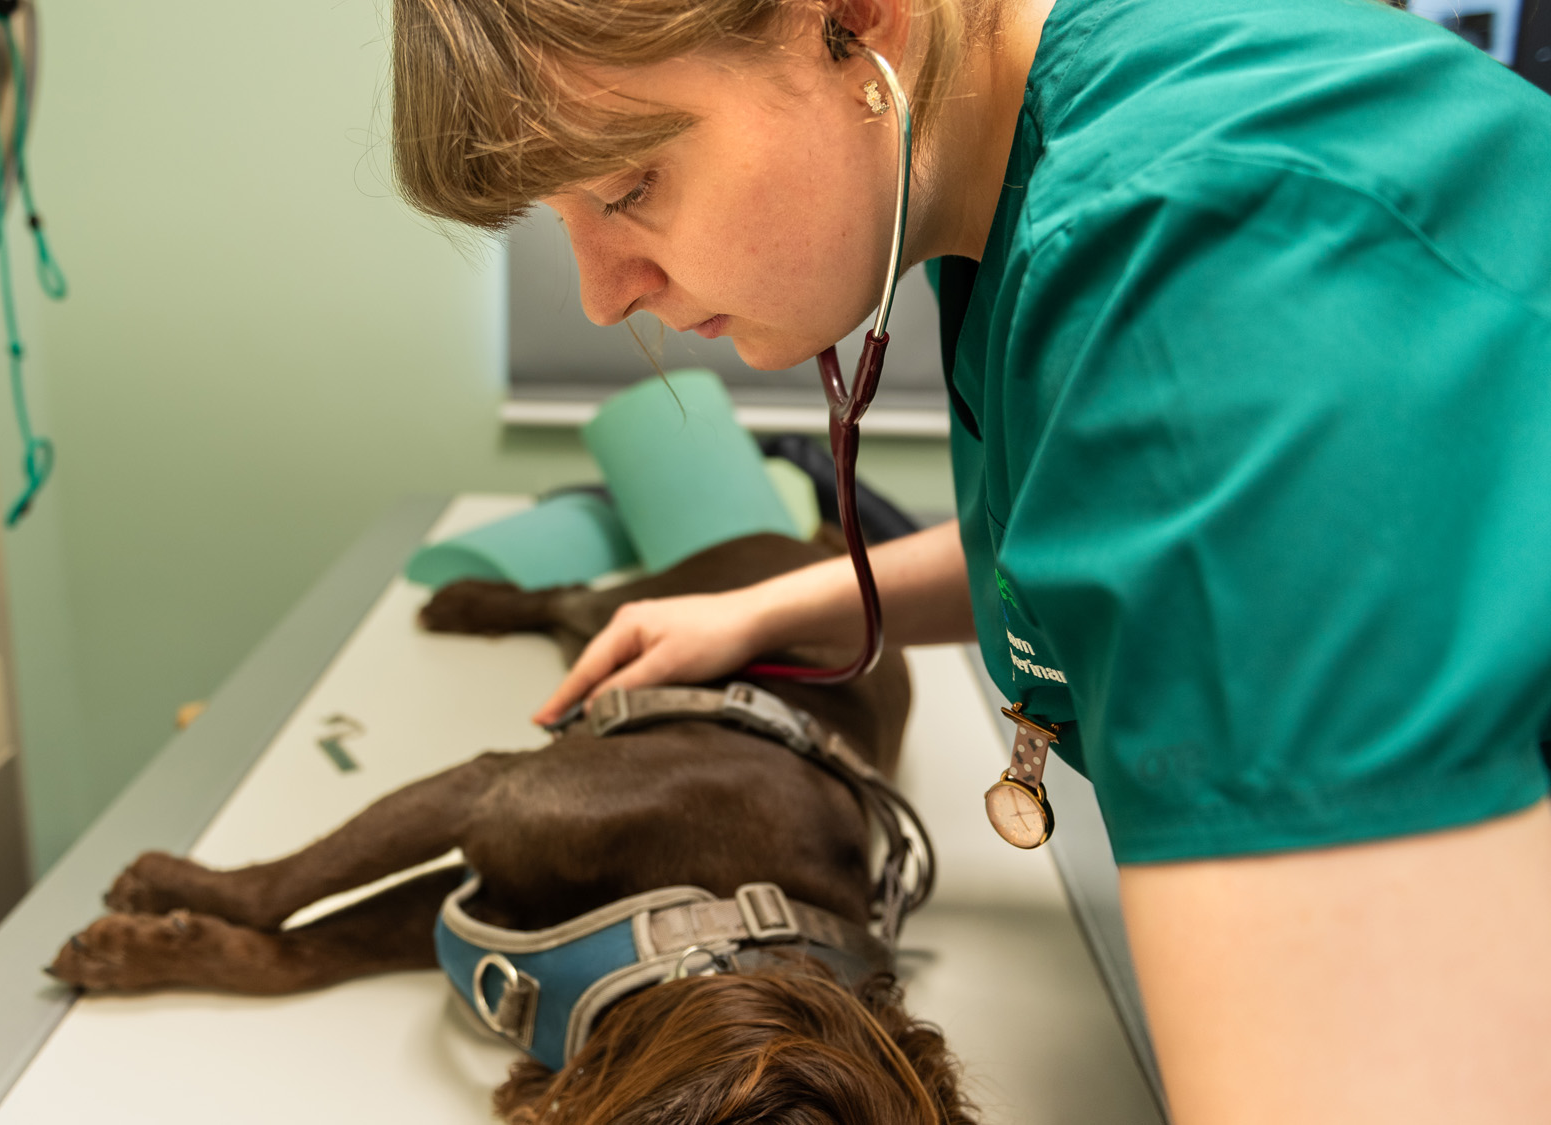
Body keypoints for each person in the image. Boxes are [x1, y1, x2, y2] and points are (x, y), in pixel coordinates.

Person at [390, 0, 1551, 1117]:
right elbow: (1096, 529)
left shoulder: (1212, 270)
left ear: (850, 18)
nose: (601, 299)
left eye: (629, 188)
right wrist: (772, 606)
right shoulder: (1011, 159)